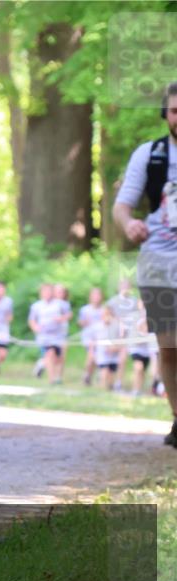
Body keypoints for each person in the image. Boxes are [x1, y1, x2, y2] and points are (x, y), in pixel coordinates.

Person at [113, 81, 177, 445]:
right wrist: (130, 223)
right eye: (175, 110)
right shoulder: (149, 154)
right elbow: (122, 205)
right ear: (165, 114)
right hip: (159, 263)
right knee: (170, 346)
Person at [29, 284, 70, 385]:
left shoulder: (60, 304)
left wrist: (62, 318)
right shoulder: (36, 306)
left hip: (58, 335)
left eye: (49, 291)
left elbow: (68, 314)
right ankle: (51, 379)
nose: (47, 294)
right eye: (44, 291)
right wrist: (35, 327)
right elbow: (32, 320)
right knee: (49, 353)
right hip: (44, 336)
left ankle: (44, 366)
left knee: (58, 358)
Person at [93, 304, 123, 391]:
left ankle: (109, 388)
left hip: (114, 354)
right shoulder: (98, 326)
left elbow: (120, 339)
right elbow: (96, 340)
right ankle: (102, 389)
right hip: (103, 354)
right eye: (105, 314)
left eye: (109, 314)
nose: (107, 316)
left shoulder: (116, 326)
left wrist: (115, 348)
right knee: (104, 372)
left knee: (111, 375)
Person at [78, 287, 105, 386]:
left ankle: (88, 375)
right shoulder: (85, 310)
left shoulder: (104, 310)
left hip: (100, 338)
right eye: (94, 295)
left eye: (98, 295)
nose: (96, 297)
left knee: (94, 357)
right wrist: (84, 322)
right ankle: (96, 373)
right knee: (92, 355)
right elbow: (80, 322)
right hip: (88, 338)